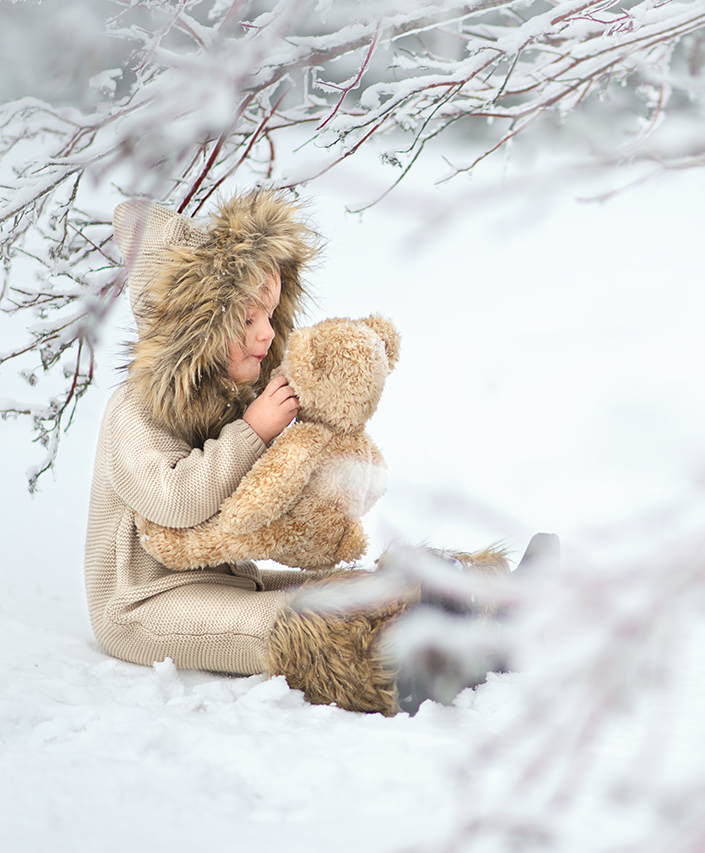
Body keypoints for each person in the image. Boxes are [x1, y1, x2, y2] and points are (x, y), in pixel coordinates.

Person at [84, 189, 518, 717]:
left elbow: (253, 492)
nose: (267, 334)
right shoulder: (135, 409)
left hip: (226, 578)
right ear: (195, 333)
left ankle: (470, 596)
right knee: (293, 617)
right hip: (144, 606)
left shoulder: (230, 398)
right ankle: (408, 657)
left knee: (344, 586)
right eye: (246, 321)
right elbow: (175, 499)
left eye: (270, 314)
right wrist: (252, 431)